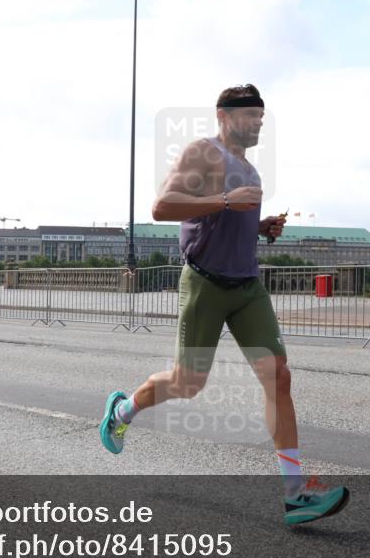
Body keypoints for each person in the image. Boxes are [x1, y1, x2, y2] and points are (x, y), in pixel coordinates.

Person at [98, 84, 349, 526]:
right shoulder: (203, 153)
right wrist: (227, 200)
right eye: (251, 115)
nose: (257, 124)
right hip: (206, 284)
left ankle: (295, 494)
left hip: (247, 286)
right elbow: (162, 207)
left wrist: (261, 225)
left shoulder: (251, 173)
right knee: (186, 383)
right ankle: (121, 411)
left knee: (279, 377)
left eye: (262, 118)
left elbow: (229, 224)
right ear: (224, 115)